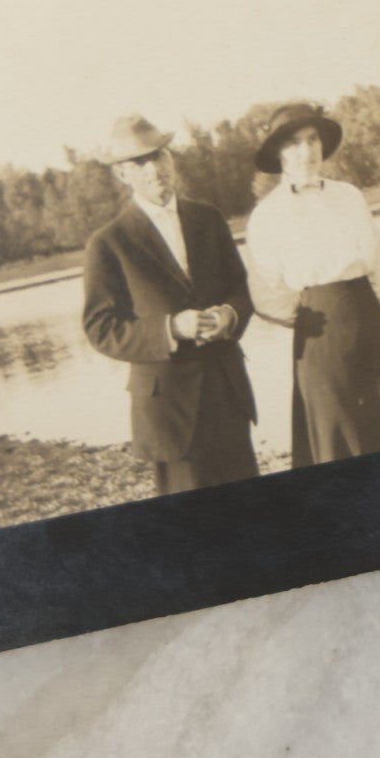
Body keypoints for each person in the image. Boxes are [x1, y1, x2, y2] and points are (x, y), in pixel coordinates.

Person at [82, 114, 260, 495]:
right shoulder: (108, 243)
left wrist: (229, 315)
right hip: (170, 414)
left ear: (170, 158)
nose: (154, 168)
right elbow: (101, 329)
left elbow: (241, 288)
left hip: (228, 395)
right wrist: (172, 328)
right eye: (139, 162)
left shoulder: (209, 219)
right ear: (122, 174)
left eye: (158, 156)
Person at [244, 102, 380, 467]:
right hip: (319, 338)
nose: (306, 151)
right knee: (340, 441)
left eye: (313, 139)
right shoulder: (267, 215)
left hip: (373, 326)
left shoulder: (349, 196)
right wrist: (311, 313)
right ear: (279, 152)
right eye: (294, 143)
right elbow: (265, 293)